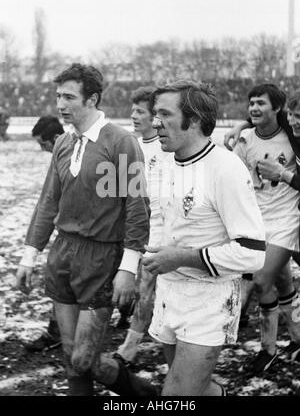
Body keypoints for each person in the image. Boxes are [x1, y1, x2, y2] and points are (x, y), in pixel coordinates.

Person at [16, 63, 158, 396]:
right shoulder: (64, 144)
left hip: (101, 258)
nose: (60, 104)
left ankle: (151, 399)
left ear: (92, 98)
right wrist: (28, 256)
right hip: (63, 254)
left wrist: (128, 268)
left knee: (84, 359)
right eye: (57, 96)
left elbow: (138, 208)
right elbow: (47, 203)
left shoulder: (120, 142)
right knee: (71, 357)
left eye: (68, 97)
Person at [142, 80, 266, 396]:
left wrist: (184, 257)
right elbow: (160, 217)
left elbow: (252, 253)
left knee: (176, 396)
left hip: (210, 298)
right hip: (169, 291)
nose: (155, 122)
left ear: (194, 120)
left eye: (165, 114)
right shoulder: (164, 161)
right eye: (155, 113)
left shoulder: (225, 168)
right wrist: (152, 265)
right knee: (197, 391)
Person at [233, 84, 300, 374]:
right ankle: (297, 339)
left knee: (261, 280)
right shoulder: (245, 138)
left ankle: (268, 349)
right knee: (281, 283)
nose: (254, 108)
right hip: (257, 220)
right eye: (251, 103)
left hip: (287, 220)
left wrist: (283, 174)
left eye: (261, 103)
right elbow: (232, 175)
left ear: (277, 109)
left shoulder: (292, 136)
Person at [117, 86, 170, 363]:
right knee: (132, 285)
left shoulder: (167, 148)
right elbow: (118, 187)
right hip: (133, 225)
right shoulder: (129, 145)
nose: (133, 116)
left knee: (145, 286)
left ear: (155, 117)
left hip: (161, 228)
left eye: (140, 111)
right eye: (132, 110)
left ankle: (128, 350)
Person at [24, 116, 64, 352]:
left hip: (95, 236)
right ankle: (57, 329)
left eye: (43, 144)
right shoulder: (61, 156)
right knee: (60, 279)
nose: (42, 150)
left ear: (56, 139)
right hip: (72, 236)